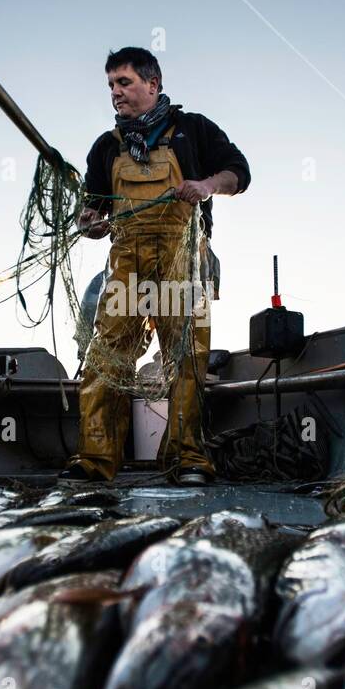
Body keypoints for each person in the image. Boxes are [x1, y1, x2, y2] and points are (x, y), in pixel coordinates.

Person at [59, 47, 251, 486]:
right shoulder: (106, 147)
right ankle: (94, 462)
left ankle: (187, 461)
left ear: (153, 84)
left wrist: (206, 185)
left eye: (124, 82)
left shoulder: (194, 130)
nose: (115, 93)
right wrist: (88, 222)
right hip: (127, 262)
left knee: (186, 360)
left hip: (184, 259)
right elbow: (94, 218)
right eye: (110, 85)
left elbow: (239, 173)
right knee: (105, 359)